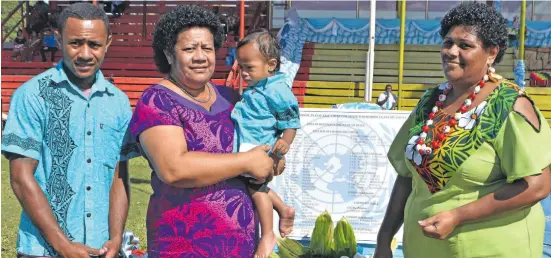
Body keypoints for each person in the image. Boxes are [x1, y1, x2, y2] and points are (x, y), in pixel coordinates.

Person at [374, 3, 551, 258]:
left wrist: (458, 216)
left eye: (465, 46)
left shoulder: (509, 105)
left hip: (493, 249)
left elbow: (537, 186)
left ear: (491, 53)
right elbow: (406, 176)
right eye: (448, 43)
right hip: (424, 248)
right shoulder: (430, 102)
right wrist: (383, 240)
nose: (451, 51)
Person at [129, 5, 283, 257]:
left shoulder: (233, 98)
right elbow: (173, 169)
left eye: (207, 48)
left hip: (242, 246)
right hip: (182, 246)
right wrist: (247, 161)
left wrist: (272, 160)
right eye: (189, 49)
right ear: (169, 53)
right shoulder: (157, 101)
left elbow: (260, 150)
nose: (200, 56)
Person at [1, 3, 139, 258]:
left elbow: (120, 176)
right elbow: (21, 179)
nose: (85, 54)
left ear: (108, 42)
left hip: (101, 248)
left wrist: (116, 237)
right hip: (42, 251)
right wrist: (63, 246)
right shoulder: (32, 96)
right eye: (75, 43)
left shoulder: (118, 103)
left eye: (94, 45)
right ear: (58, 37)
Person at [233, 28, 299, 258]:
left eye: (249, 67)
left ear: (271, 65)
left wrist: (285, 142)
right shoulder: (259, 86)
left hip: (262, 149)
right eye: (241, 67)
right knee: (253, 185)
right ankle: (283, 209)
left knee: (256, 188)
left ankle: (268, 233)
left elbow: (291, 121)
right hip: (248, 146)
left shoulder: (278, 89)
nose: (244, 73)